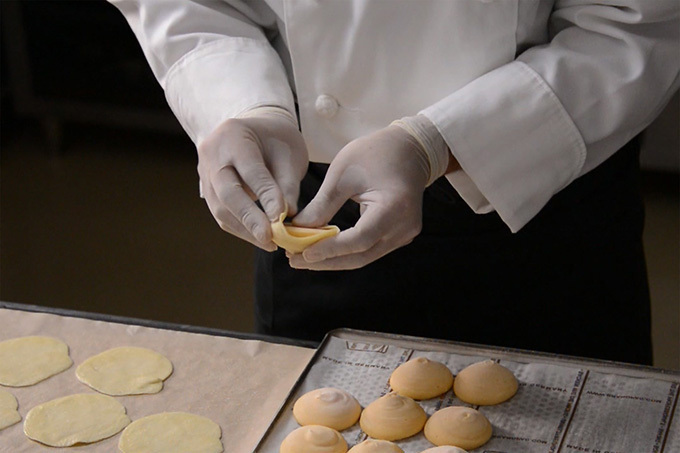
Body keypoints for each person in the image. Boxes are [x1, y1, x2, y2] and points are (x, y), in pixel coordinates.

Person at [109, 0, 679, 365]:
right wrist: (243, 104)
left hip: (539, 205)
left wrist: (439, 142)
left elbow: (638, 25)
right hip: (314, 205)